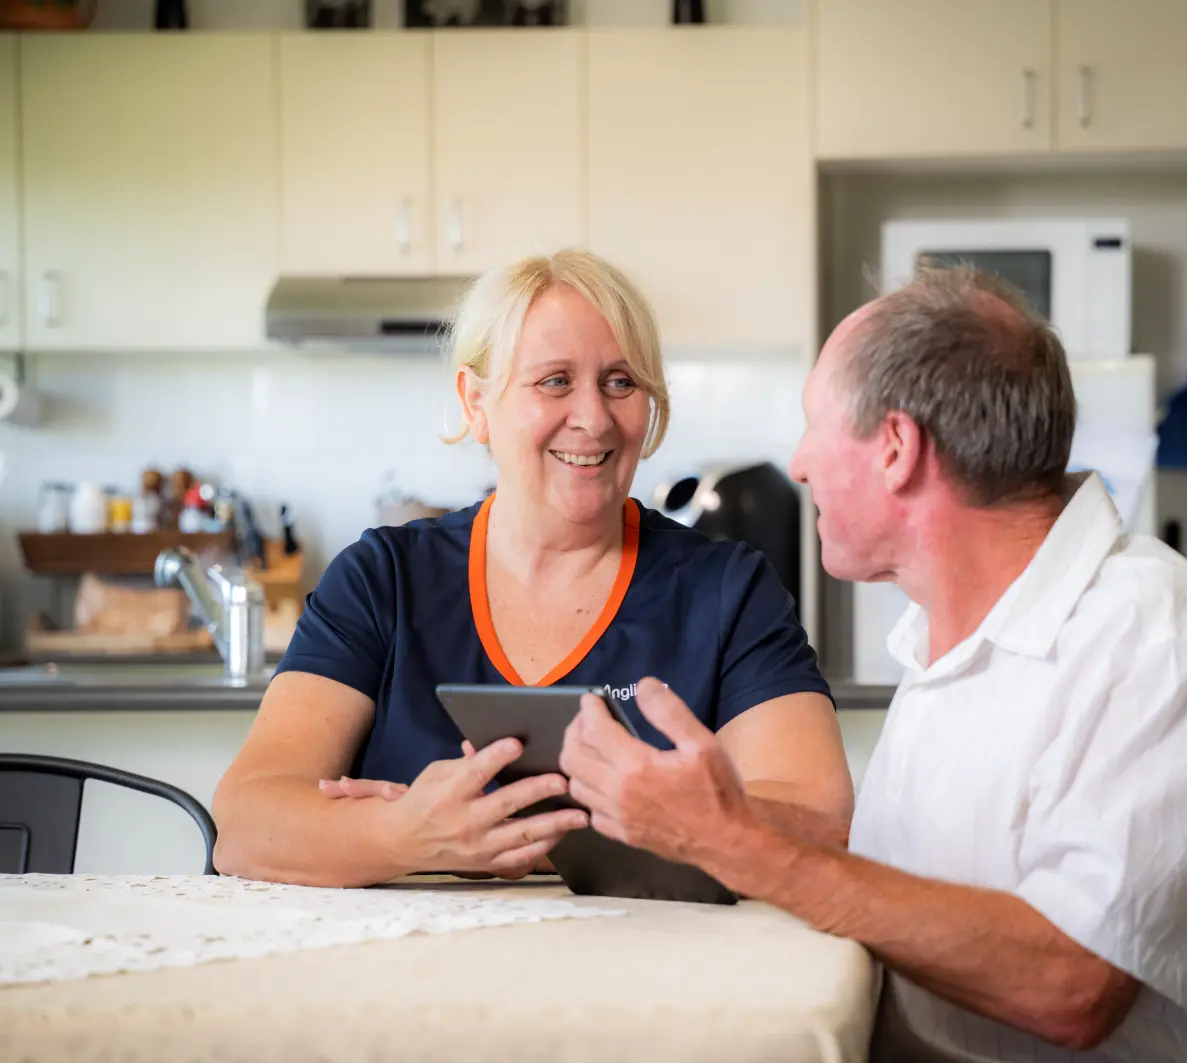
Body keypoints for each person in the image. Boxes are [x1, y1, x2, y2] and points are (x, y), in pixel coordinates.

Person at [560, 265, 1187, 1063]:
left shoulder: (1158, 633)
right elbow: (915, 876)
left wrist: (737, 843)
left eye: (815, 427)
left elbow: (1072, 984)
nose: (800, 464)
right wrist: (685, 813)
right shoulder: (943, 636)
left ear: (896, 447)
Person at [211, 249, 853, 888]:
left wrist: (616, 823)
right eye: (554, 381)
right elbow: (246, 824)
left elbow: (818, 817)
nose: (594, 418)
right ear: (476, 402)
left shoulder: (728, 590)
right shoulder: (382, 581)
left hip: (652, 977)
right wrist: (407, 834)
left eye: (620, 382)